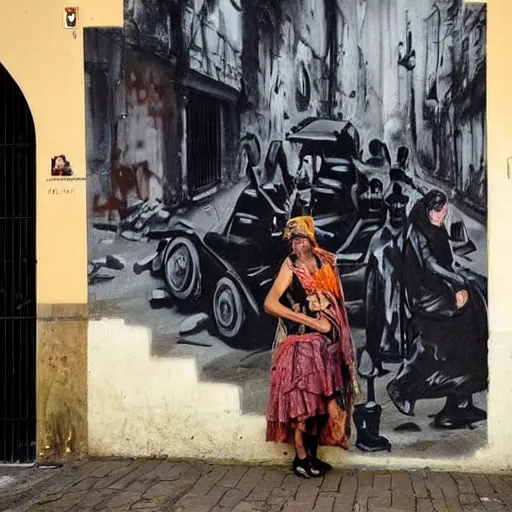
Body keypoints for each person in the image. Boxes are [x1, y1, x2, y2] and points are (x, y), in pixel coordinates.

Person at [264, 216, 360, 478]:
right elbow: (271, 303)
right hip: (302, 345)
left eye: (301, 239)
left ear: (311, 239)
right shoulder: (290, 266)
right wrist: (310, 322)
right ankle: (300, 459)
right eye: (293, 241)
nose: (297, 246)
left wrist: (333, 331)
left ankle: (314, 456)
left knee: (322, 404)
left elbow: (337, 301)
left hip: (327, 347)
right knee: (304, 404)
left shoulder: (325, 262)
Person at [386, 190, 488, 429]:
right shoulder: (418, 231)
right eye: (436, 210)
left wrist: (459, 277)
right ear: (426, 209)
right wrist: (458, 283)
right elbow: (430, 264)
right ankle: (406, 388)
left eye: (443, 211)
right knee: (463, 316)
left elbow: (444, 260)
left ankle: (462, 399)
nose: (441, 215)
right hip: (425, 295)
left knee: (477, 296)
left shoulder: (434, 226)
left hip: (437, 285)